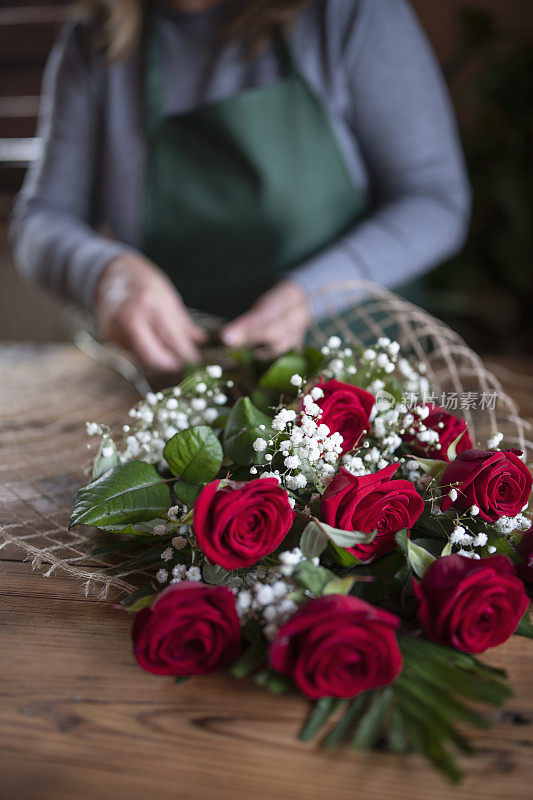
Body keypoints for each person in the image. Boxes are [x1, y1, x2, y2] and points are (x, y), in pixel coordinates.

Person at [10, 0, 471, 372]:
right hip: (185, 384)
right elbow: (41, 220)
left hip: (363, 375)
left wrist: (308, 295)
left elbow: (435, 200)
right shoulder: (95, 40)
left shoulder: (349, 13)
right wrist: (105, 274)